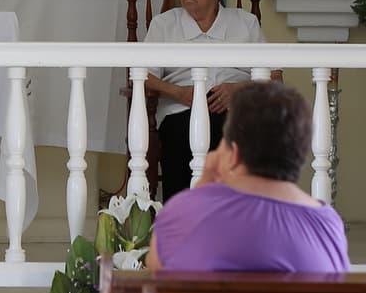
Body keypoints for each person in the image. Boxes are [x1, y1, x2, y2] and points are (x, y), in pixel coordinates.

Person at [148, 81, 348, 273]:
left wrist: (200, 191)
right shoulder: (329, 226)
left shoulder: (181, 214)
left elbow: (156, 276)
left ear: (234, 154)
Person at [143, 0, 267, 201]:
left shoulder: (245, 23)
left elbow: (273, 77)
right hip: (181, 113)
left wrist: (237, 90)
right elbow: (143, 76)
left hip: (234, 113)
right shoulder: (164, 25)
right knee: (184, 135)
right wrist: (177, 92)